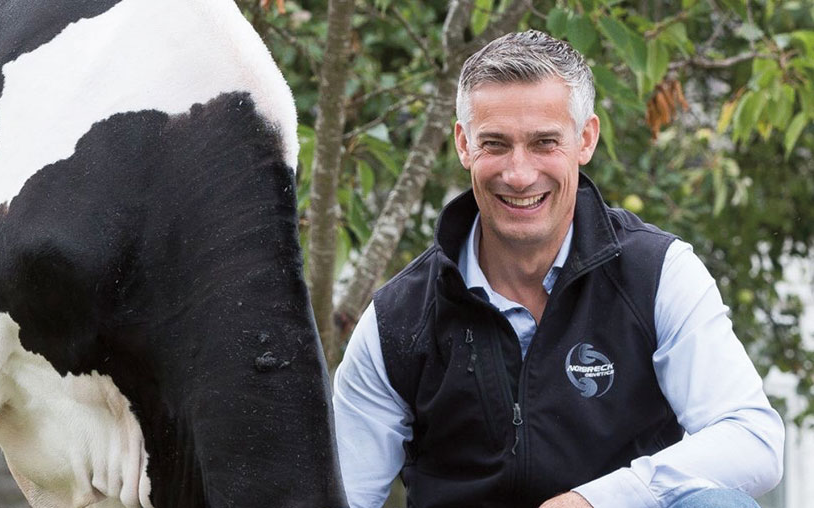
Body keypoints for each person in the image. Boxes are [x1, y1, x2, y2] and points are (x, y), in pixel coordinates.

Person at [332, 30, 784, 508]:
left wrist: (595, 501)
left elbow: (752, 438)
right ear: (464, 145)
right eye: (496, 144)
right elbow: (339, 495)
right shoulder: (398, 319)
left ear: (584, 139)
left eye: (545, 142)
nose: (520, 173)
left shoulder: (657, 274)